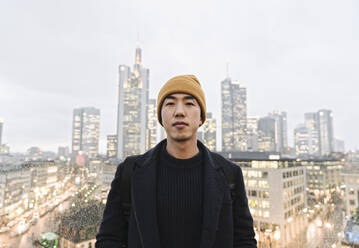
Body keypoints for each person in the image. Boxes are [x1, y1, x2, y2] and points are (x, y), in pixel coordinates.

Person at [95, 75, 257, 248]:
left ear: (201, 118)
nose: (179, 111)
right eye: (170, 103)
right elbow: (109, 239)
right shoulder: (130, 172)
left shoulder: (229, 174)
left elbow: (244, 240)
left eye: (189, 103)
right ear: (160, 116)